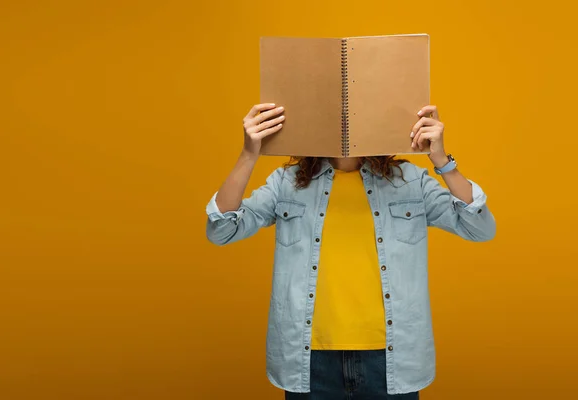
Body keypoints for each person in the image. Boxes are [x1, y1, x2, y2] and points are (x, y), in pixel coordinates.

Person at [205, 103, 496, 400]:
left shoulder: (411, 182)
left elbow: (480, 228)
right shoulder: (286, 183)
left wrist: (442, 161)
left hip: (392, 360)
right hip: (309, 360)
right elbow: (222, 230)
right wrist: (248, 154)